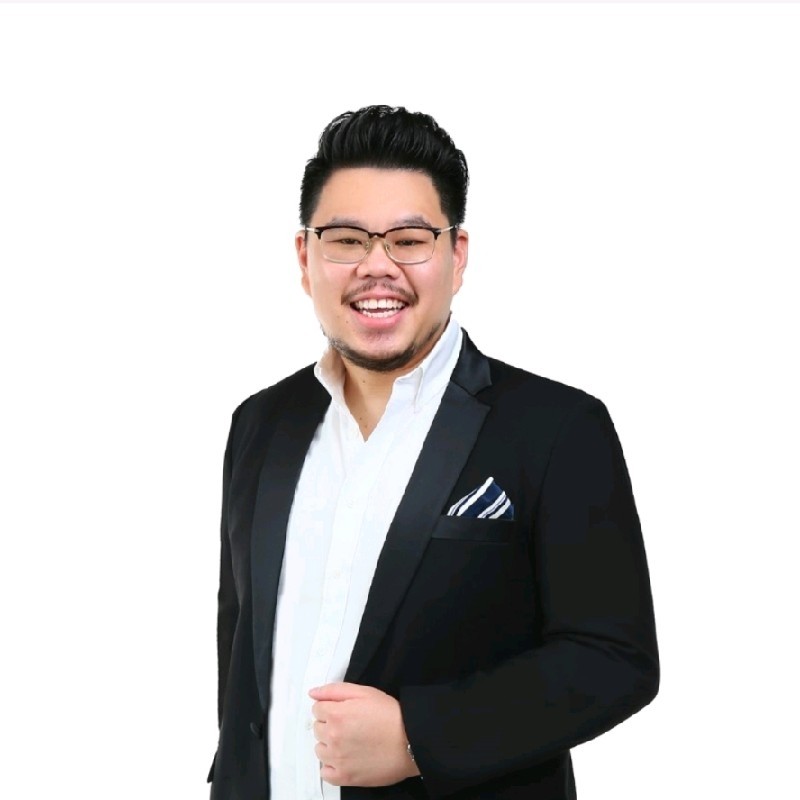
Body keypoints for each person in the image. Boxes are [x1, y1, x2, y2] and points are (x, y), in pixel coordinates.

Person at [208, 105, 659, 800]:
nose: (377, 267)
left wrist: (420, 737)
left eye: (409, 240)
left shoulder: (557, 428)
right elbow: (240, 645)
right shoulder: (259, 424)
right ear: (305, 258)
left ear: (457, 255)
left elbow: (614, 659)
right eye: (346, 240)